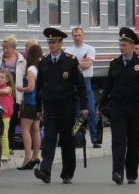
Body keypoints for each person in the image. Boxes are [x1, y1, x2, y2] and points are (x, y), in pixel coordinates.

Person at [99, 27, 139, 185]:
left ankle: (131, 173)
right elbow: (108, 86)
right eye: (120, 44)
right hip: (117, 107)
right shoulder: (115, 64)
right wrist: (102, 104)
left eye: (124, 45)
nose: (121, 47)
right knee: (118, 141)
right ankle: (117, 172)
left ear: (133, 46)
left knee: (133, 142)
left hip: (136, 108)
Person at [34, 27, 88, 185]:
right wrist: (38, 108)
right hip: (50, 107)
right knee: (49, 138)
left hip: (67, 106)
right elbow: (39, 87)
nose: (51, 45)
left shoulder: (71, 61)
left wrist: (84, 107)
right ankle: (45, 171)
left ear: (61, 42)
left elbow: (81, 86)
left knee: (67, 139)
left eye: (54, 42)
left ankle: (67, 173)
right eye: (49, 42)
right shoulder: (43, 62)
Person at [0, 35, 26, 157]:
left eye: (8, 48)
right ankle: (0, 146)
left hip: (14, 93)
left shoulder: (21, 60)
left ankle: (10, 145)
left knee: (12, 120)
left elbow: (23, 76)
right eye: (4, 48)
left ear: (14, 48)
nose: (5, 50)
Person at [65, 27, 99, 148]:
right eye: (75, 36)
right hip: (72, 83)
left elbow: (88, 64)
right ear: (72, 36)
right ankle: (76, 138)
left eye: (79, 35)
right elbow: (67, 67)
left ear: (83, 35)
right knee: (75, 112)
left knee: (90, 110)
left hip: (86, 81)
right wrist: (80, 63)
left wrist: (74, 64)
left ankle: (95, 140)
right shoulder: (68, 50)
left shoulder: (90, 49)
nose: (77, 38)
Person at [16, 44, 43, 170]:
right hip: (38, 103)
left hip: (30, 102)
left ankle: (27, 158)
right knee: (35, 130)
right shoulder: (40, 68)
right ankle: (36, 156)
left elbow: (30, 88)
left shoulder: (31, 70)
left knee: (25, 130)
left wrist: (21, 88)